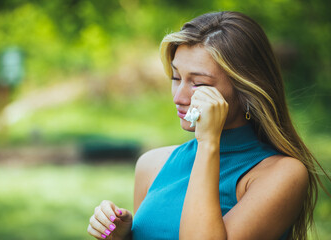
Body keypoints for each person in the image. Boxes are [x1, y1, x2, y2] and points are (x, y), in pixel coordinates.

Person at [87, 11, 329, 240]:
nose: (179, 96)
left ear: (246, 91)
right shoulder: (152, 165)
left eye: (198, 83)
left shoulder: (282, 174)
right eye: (176, 78)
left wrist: (209, 142)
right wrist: (124, 237)